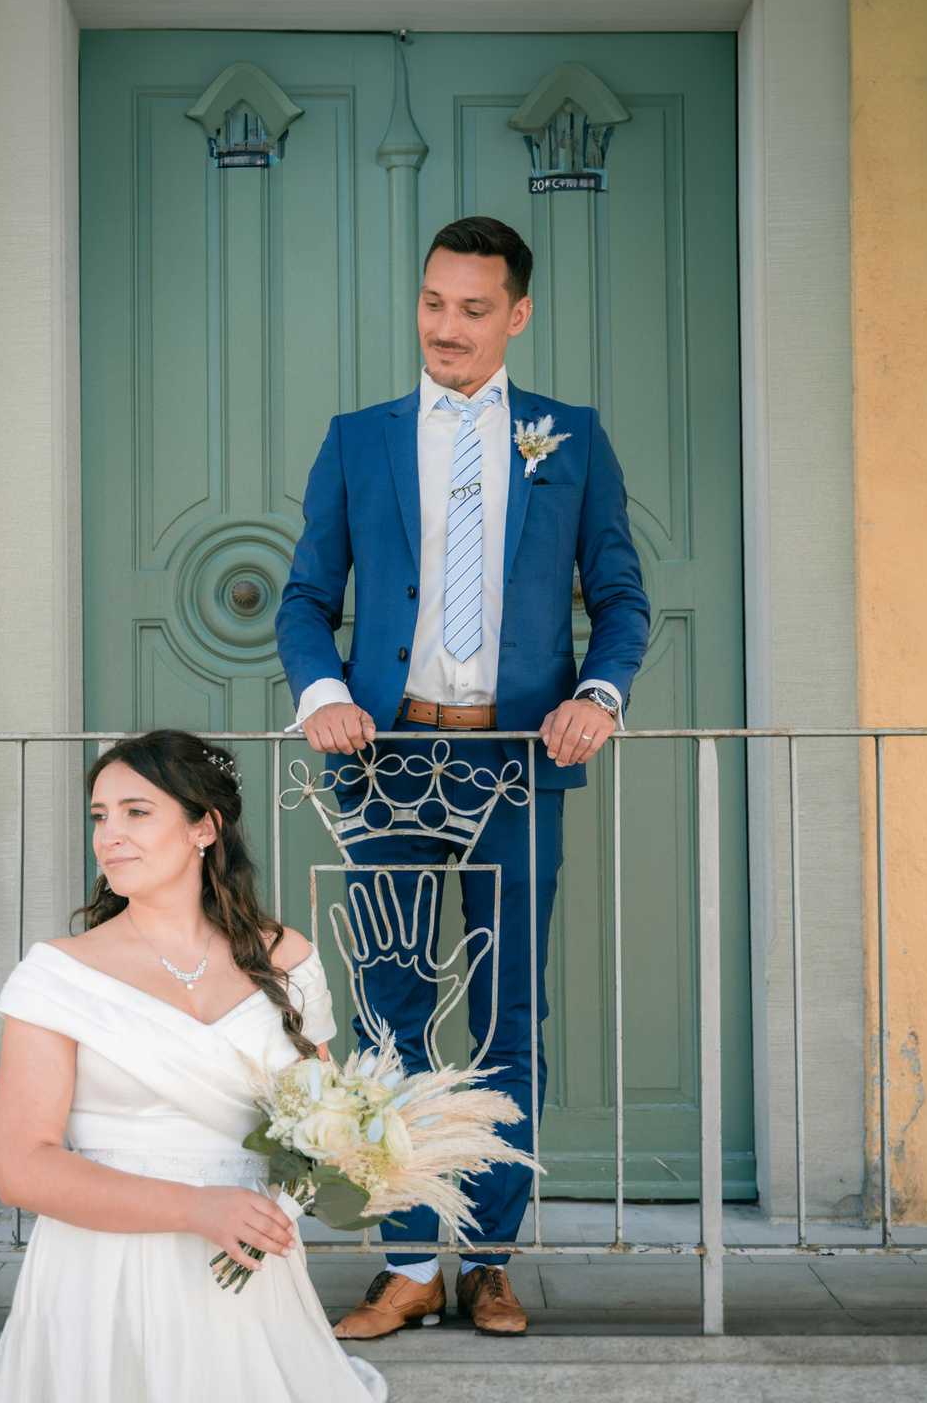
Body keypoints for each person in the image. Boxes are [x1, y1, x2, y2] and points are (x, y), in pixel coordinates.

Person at [275, 216, 650, 1339]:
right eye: (434, 303)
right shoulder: (358, 439)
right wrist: (321, 695)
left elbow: (621, 598)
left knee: (506, 1016)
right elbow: (305, 600)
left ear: (516, 316)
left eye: (474, 309)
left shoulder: (568, 439)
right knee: (389, 1011)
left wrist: (599, 695)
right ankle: (405, 1259)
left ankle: (486, 1257)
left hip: (515, 765)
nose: (448, 327)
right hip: (386, 762)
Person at [0, 730, 386, 1402]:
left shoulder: (285, 956)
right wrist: (195, 1206)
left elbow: (325, 1117)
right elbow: (20, 1166)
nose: (110, 833)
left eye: (136, 811)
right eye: (99, 815)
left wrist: (347, 1159)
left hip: (245, 1269)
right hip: (102, 1274)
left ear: (204, 826)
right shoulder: (59, 972)